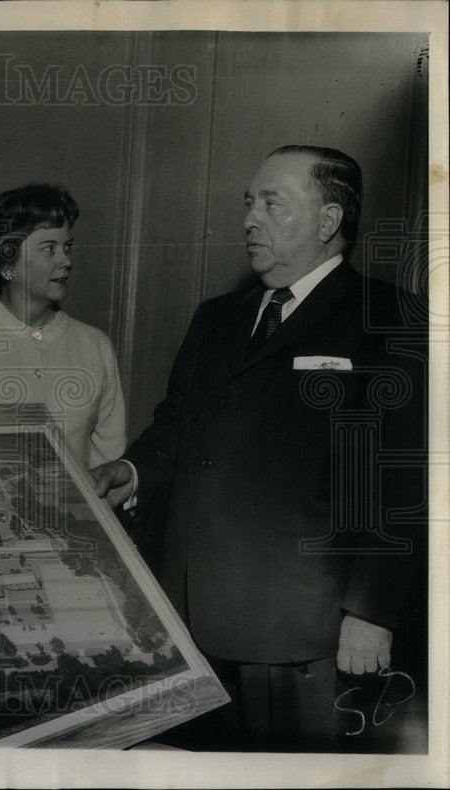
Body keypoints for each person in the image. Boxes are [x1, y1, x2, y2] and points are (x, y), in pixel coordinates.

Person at [94, 146, 426, 750]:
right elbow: (175, 426)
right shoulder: (216, 317)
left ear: (328, 221)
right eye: (249, 202)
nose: (250, 218)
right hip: (189, 615)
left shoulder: (390, 317)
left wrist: (372, 614)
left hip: (302, 631)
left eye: (273, 203)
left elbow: (401, 481)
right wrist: (130, 469)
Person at [0, 183, 128, 473]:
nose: (66, 261)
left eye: (68, 247)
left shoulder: (96, 345)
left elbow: (108, 456)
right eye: (49, 249)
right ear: (7, 261)